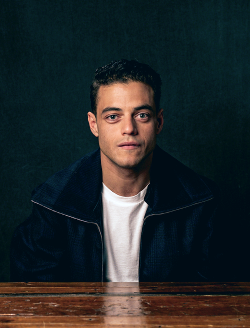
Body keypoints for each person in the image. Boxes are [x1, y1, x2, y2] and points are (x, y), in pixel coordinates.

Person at [10, 59, 224, 282]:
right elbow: (33, 301)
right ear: (94, 124)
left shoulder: (201, 202)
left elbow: (215, 301)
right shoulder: (53, 205)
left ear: (159, 122)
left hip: (170, 318)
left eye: (142, 115)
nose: (129, 128)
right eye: (113, 117)